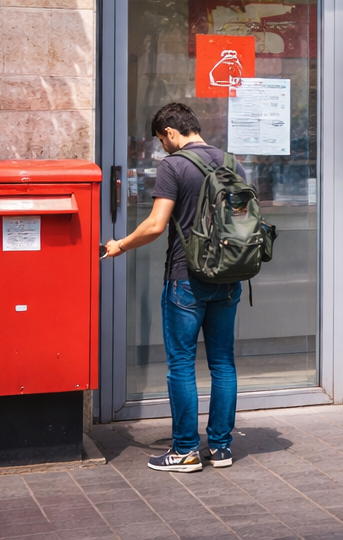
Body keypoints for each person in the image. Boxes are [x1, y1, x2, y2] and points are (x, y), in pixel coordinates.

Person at [101, 102, 241, 472]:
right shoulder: (231, 162)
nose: (163, 145)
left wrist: (120, 245)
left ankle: (185, 451)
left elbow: (155, 225)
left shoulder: (174, 165)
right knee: (223, 363)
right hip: (227, 276)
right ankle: (222, 448)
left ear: (172, 132)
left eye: (163, 138)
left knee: (181, 364)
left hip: (186, 279)